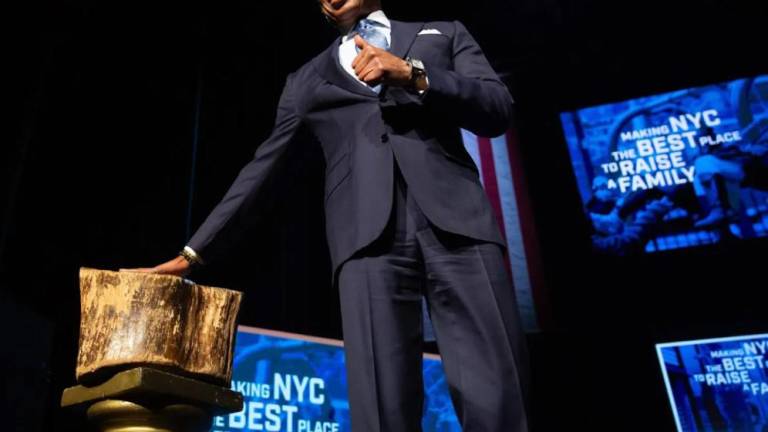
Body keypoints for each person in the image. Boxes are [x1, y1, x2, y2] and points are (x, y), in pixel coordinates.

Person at [135, 1, 529, 430]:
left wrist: (413, 73)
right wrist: (193, 254)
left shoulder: (443, 31)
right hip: (366, 243)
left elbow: (496, 107)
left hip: (459, 225)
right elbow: (262, 171)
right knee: (381, 405)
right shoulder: (306, 80)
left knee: (495, 393)